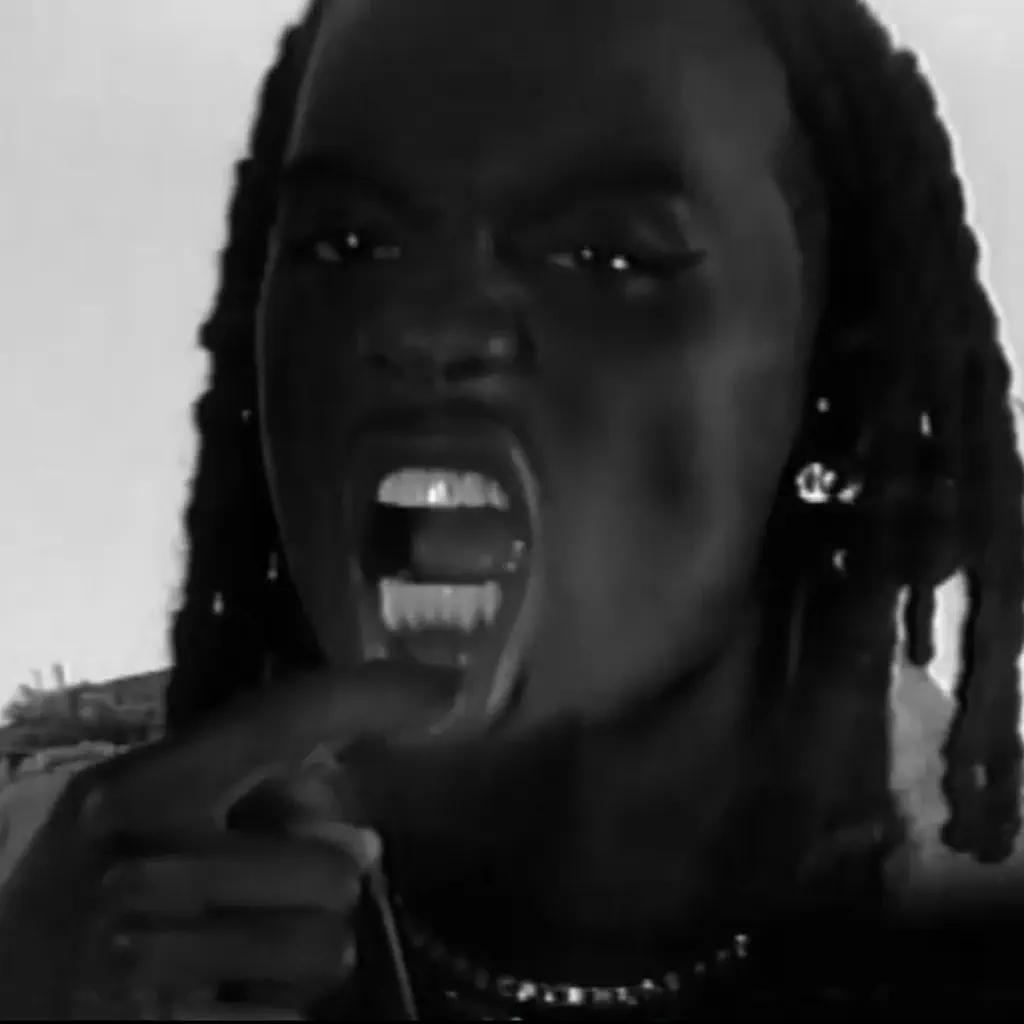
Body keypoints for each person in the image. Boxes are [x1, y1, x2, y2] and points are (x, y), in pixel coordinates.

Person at [1, 0, 1023, 1018]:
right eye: (347, 242)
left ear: (829, 375)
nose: (422, 323)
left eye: (608, 257)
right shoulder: (46, 892)